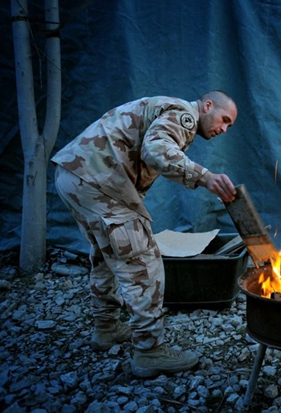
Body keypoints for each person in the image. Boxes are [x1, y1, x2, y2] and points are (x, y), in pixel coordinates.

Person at [52, 91, 238, 377]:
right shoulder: (183, 115)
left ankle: (106, 328)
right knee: (143, 262)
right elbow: (156, 149)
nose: (224, 129)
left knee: (107, 253)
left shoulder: (168, 110)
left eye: (229, 125)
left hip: (77, 176)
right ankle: (149, 352)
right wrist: (205, 177)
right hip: (98, 181)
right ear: (207, 106)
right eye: (224, 119)